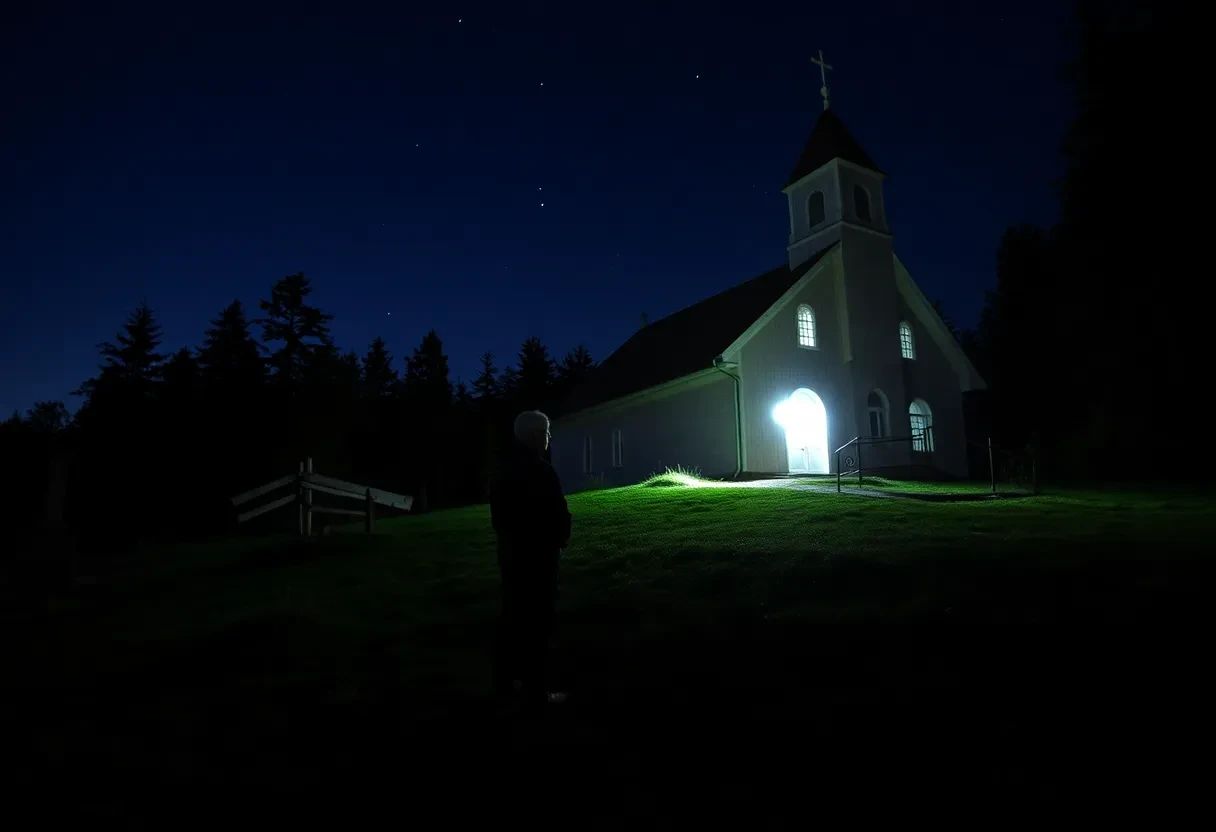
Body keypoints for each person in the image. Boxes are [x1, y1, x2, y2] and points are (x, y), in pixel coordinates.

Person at [490, 410, 572, 712]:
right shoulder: (541, 471)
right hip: (539, 557)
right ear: (537, 435)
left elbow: (500, 518)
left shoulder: (503, 470)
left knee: (512, 615)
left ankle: (506, 683)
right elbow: (555, 512)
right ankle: (536, 690)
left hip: (512, 556)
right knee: (538, 621)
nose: (549, 440)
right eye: (547, 433)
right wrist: (559, 537)